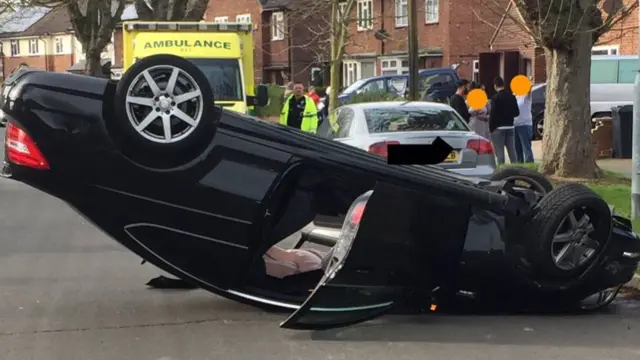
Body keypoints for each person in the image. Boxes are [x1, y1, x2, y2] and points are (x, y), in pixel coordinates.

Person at [489, 77, 519, 165]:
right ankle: (516, 170)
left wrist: (491, 128)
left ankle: (502, 172)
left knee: (500, 152)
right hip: (510, 126)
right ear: (503, 85)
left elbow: (492, 114)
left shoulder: (495, 98)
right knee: (512, 151)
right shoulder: (512, 97)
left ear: (495, 86)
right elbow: (517, 112)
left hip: (498, 127)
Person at [514, 88, 534, 163]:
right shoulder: (515, 96)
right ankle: (520, 165)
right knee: (517, 149)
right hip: (515, 125)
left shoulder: (526, 96)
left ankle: (530, 165)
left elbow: (529, 90)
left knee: (526, 148)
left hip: (525, 125)